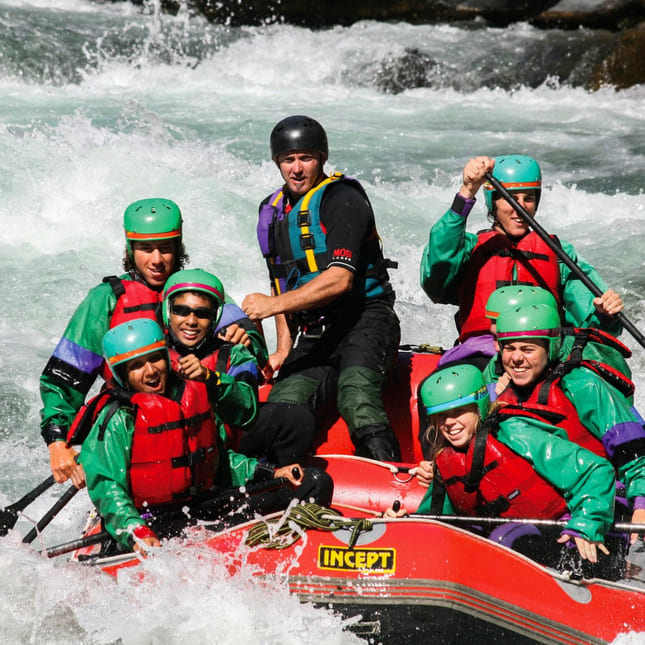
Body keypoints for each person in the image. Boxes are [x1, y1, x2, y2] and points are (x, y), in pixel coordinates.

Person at [79, 319, 329, 554]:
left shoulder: (193, 395)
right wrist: (136, 531)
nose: (150, 371)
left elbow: (220, 462)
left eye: (155, 359)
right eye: (136, 366)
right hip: (151, 522)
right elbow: (108, 490)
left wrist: (272, 473)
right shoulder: (118, 419)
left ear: (166, 358)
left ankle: (280, 552)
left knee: (315, 482)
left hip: (202, 508)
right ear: (122, 375)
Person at [242, 115, 401, 461]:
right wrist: (284, 347)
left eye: (306, 158)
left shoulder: (342, 198)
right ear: (277, 163)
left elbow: (340, 279)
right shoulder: (272, 212)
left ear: (322, 159)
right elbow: (282, 281)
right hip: (316, 332)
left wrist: (270, 306)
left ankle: (391, 480)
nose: (297, 169)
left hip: (366, 319)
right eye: (289, 160)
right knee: (283, 406)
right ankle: (280, 484)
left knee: (355, 396)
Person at [388, 364, 617, 564]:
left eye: (458, 412)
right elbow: (435, 523)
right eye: (440, 416)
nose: (449, 423)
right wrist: (403, 528)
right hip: (502, 545)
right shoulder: (446, 459)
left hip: (561, 534)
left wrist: (588, 521)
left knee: (502, 539)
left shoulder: (515, 433)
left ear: (478, 407)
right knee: (488, 542)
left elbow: (596, 471)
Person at [420, 155, 624, 369]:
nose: (521, 207)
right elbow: (436, 273)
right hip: (482, 353)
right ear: (493, 202)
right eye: (510, 198)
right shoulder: (469, 248)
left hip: (542, 358)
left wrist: (605, 314)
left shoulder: (560, 254)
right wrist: (467, 192)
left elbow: (591, 322)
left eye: (529, 198)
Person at [493, 303, 645, 543]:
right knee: (502, 538)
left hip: (605, 508)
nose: (516, 358)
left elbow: (633, 450)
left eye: (528, 349)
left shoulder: (584, 385)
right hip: (547, 511)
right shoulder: (502, 398)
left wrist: (641, 504)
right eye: (509, 348)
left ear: (550, 348)